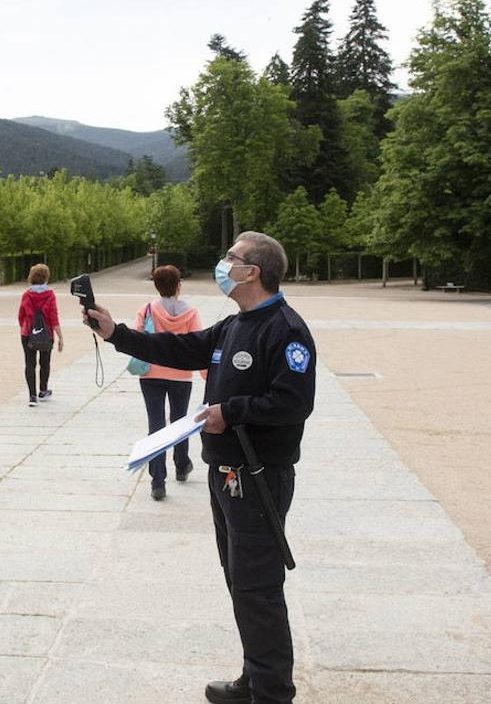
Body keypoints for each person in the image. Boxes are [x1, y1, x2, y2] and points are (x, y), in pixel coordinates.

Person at [83, 232, 315, 704]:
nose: (223, 263)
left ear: (253, 271)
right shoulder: (234, 325)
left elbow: (294, 402)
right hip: (224, 471)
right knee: (240, 581)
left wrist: (230, 412)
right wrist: (116, 333)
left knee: (259, 585)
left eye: (232, 256)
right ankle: (255, 677)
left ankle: (273, 693)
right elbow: (181, 349)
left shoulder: (285, 329)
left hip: (258, 475)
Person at [135, 265, 205, 501]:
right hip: (181, 374)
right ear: (178, 285)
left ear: (156, 285)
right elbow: (199, 344)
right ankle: (182, 464)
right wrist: (207, 374)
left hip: (151, 374)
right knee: (180, 421)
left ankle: (157, 481)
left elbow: (137, 338)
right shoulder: (191, 312)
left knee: (155, 426)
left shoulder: (146, 310)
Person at [17, 263, 63, 407]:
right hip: (47, 334)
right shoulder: (50, 295)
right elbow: (54, 317)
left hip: (28, 333)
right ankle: (43, 390)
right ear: (46, 277)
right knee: (45, 362)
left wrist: (25, 328)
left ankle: (32, 395)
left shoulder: (26, 295)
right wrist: (60, 336)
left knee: (29, 363)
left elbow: (21, 315)